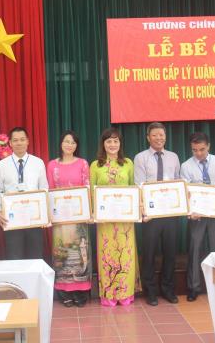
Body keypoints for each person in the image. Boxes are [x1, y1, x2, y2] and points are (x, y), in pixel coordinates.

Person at [180, 132, 215, 302]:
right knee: (195, 249)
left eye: (202, 149)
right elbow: (185, 191)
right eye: (194, 150)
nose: (198, 153)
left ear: (208, 146)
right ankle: (193, 287)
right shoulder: (186, 166)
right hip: (197, 215)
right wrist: (190, 211)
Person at [133, 122, 180, 306]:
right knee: (149, 253)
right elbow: (139, 185)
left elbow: (177, 183)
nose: (159, 138)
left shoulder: (173, 157)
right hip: (151, 214)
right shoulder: (140, 158)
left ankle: (168, 289)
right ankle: (150, 291)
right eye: (155, 135)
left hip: (170, 213)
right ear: (148, 137)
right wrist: (146, 210)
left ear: (165, 136)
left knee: (170, 253)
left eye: (161, 135)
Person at [91, 127, 138, 307]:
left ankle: (125, 293)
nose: (112, 144)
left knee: (125, 255)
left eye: (115, 141)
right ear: (103, 144)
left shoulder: (128, 163)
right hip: (105, 221)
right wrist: (93, 212)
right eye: (109, 141)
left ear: (120, 143)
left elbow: (133, 188)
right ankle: (108, 294)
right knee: (107, 255)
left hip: (125, 221)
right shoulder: (96, 165)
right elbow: (92, 192)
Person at [46, 131, 91, 308]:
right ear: (61, 144)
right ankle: (64, 292)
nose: (69, 145)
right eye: (66, 141)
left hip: (79, 217)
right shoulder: (52, 165)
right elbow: (50, 190)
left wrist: (88, 212)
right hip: (60, 219)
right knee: (62, 253)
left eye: (72, 142)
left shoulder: (83, 163)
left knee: (80, 254)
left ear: (76, 145)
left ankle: (81, 291)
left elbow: (87, 188)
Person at [0, 127, 49, 259]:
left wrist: (44, 214)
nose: (19, 143)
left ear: (28, 141)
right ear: (10, 143)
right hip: (12, 219)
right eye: (15, 140)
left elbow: (44, 188)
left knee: (35, 257)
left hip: (34, 219)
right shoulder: (1, 165)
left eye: (22, 139)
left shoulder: (38, 163)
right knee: (14, 257)